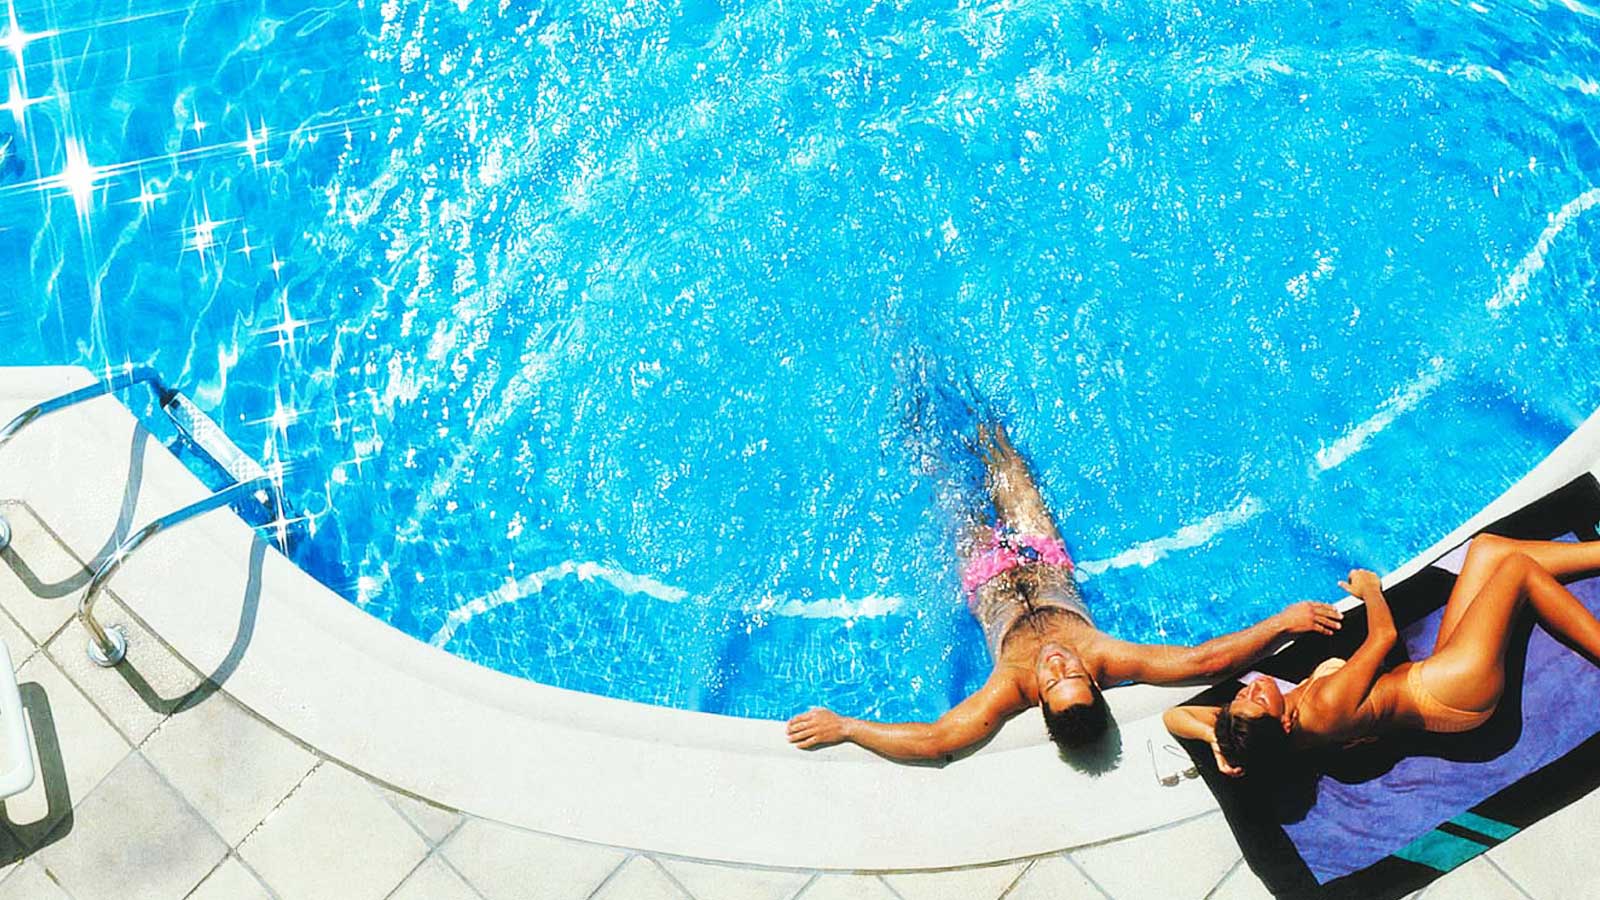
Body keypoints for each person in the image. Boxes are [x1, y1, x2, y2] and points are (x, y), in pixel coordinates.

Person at [785, 423, 1343, 761]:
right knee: (1003, 457)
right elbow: (1204, 660)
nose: (1058, 665)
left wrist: (848, 727)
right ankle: (980, 412)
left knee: (944, 476)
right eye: (1073, 675)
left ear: (1040, 701)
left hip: (984, 574)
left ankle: (917, 417)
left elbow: (936, 740)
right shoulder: (1104, 655)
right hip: (1041, 554)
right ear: (1095, 686)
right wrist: (1280, 623)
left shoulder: (1007, 687)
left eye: (1054, 681)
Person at [1164, 535, 1600, 777]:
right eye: (1257, 699)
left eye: (1243, 697)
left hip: (1434, 677)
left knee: (1485, 550)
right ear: (1283, 722)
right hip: (1456, 688)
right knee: (1516, 570)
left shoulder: (1265, 740)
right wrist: (1369, 589)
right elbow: (1384, 636)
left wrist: (1215, 743)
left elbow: (1173, 718)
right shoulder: (1324, 704)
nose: (1254, 688)